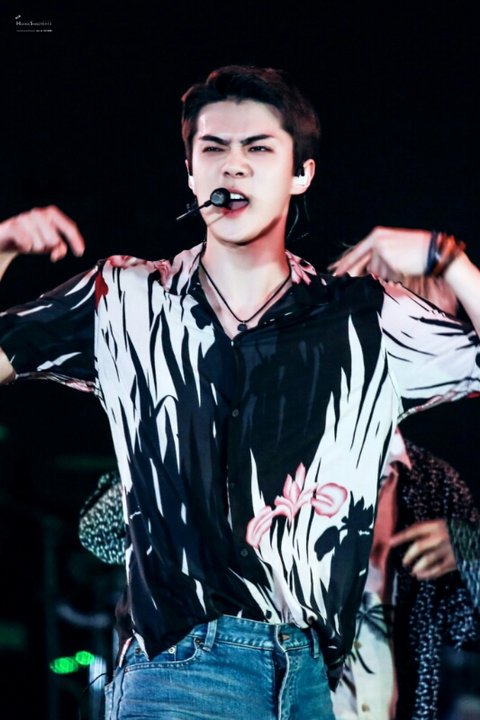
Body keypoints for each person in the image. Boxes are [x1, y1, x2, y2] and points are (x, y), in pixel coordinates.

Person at [1, 64, 480, 720]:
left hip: (310, 680)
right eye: (214, 148)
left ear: (301, 173)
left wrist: (449, 260)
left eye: (258, 148)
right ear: (190, 172)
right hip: (178, 673)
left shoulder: (362, 317)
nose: (233, 166)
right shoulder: (125, 299)